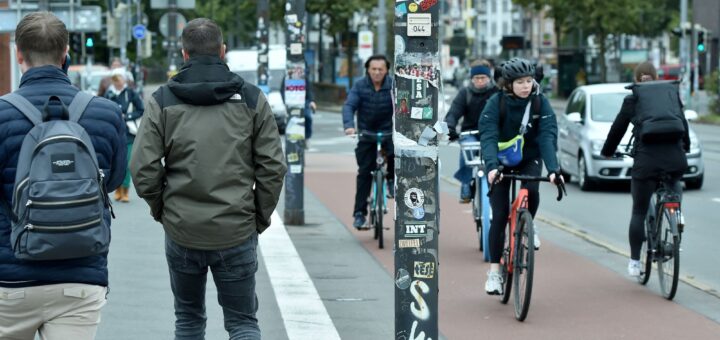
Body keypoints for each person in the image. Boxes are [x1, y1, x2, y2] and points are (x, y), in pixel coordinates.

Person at [130, 18, 286, 339]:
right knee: (243, 323)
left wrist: (163, 209)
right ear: (223, 51)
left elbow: (143, 167)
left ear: (184, 55)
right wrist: (258, 216)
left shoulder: (163, 100)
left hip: (183, 229)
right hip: (236, 228)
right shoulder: (252, 99)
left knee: (188, 320)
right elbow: (272, 167)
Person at [0, 12, 126, 339]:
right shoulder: (106, 113)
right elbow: (112, 180)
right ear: (66, 52)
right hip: (81, 275)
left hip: (11, 276)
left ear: (19, 54)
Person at [479, 57, 562, 295]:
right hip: (501, 161)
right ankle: (494, 272)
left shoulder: (540, 103)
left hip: (529, 157)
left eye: (529, 81)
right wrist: (492, 167)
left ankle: (528, 225)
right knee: (500, 215)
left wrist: (554, 169)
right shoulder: (495, 103)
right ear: (508, 84)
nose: (526, 86)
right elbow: (488, 136)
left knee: (532, 190)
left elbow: (547, 137)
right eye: (520, 82)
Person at [600, 61, 689, 277]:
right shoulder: (670, 94)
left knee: (639, 210)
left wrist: (608, 151)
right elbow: (682, 123)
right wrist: (685, 147)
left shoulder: (634, 98)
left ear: (637, 79)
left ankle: (634, 262)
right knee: (674, 186)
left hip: (647, 159)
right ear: (656, 76)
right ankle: (676, 218)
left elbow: (618, 127)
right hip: (674, 157)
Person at [343, 54, 395, 230]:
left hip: (389, 132)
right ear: (368, 69)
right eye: (374, 69)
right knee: (364, 173)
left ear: (387, 70)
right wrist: (349, 126)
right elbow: (349, 106)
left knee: (396, 156)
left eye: (381, 69)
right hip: (367, 133)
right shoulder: (360, 85)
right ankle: (359, 214)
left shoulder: (394, 85)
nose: (377, 72)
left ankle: (390, 181)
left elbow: (405, 106)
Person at [445, 59, 499, 203]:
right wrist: (450, 127)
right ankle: (466, 184)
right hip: (471, 133)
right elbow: (453, 113)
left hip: (493, 134)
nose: (480, 81)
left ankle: (497, 186)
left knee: (496, 160)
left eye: (483, 77)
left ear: (489, 78)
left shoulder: (497, 93)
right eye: (476, 78)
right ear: (471, 79)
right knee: (466, 149)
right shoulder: (465, 93)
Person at [105, 68, 144, 203]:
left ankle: (126, 190)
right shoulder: (109, 94)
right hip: (113, 132)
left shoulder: (131, 93)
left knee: (127, 163)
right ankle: (117, 189)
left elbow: (141, 110)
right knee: (114, 162)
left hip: (128, 133)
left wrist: (127, 116)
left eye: (119, 80)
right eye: (115, 81)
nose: (118, 83)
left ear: (124, 79)